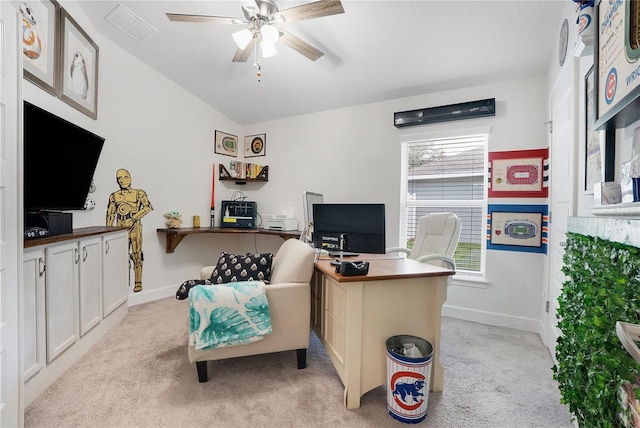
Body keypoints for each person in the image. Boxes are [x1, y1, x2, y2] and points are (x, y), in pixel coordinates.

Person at [106, 168, 153, 292]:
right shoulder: (114, 196)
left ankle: (138, 282)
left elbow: (148, 207)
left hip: (134, 226)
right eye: (119, 178)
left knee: (137, 254)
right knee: (121, 255)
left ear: (130, 178)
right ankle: (122, 283)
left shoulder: (139, 193)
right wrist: (108, 231)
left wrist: (133, 218)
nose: (122, 180)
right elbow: (110, 214)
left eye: (125, 177)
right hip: (120, 227)